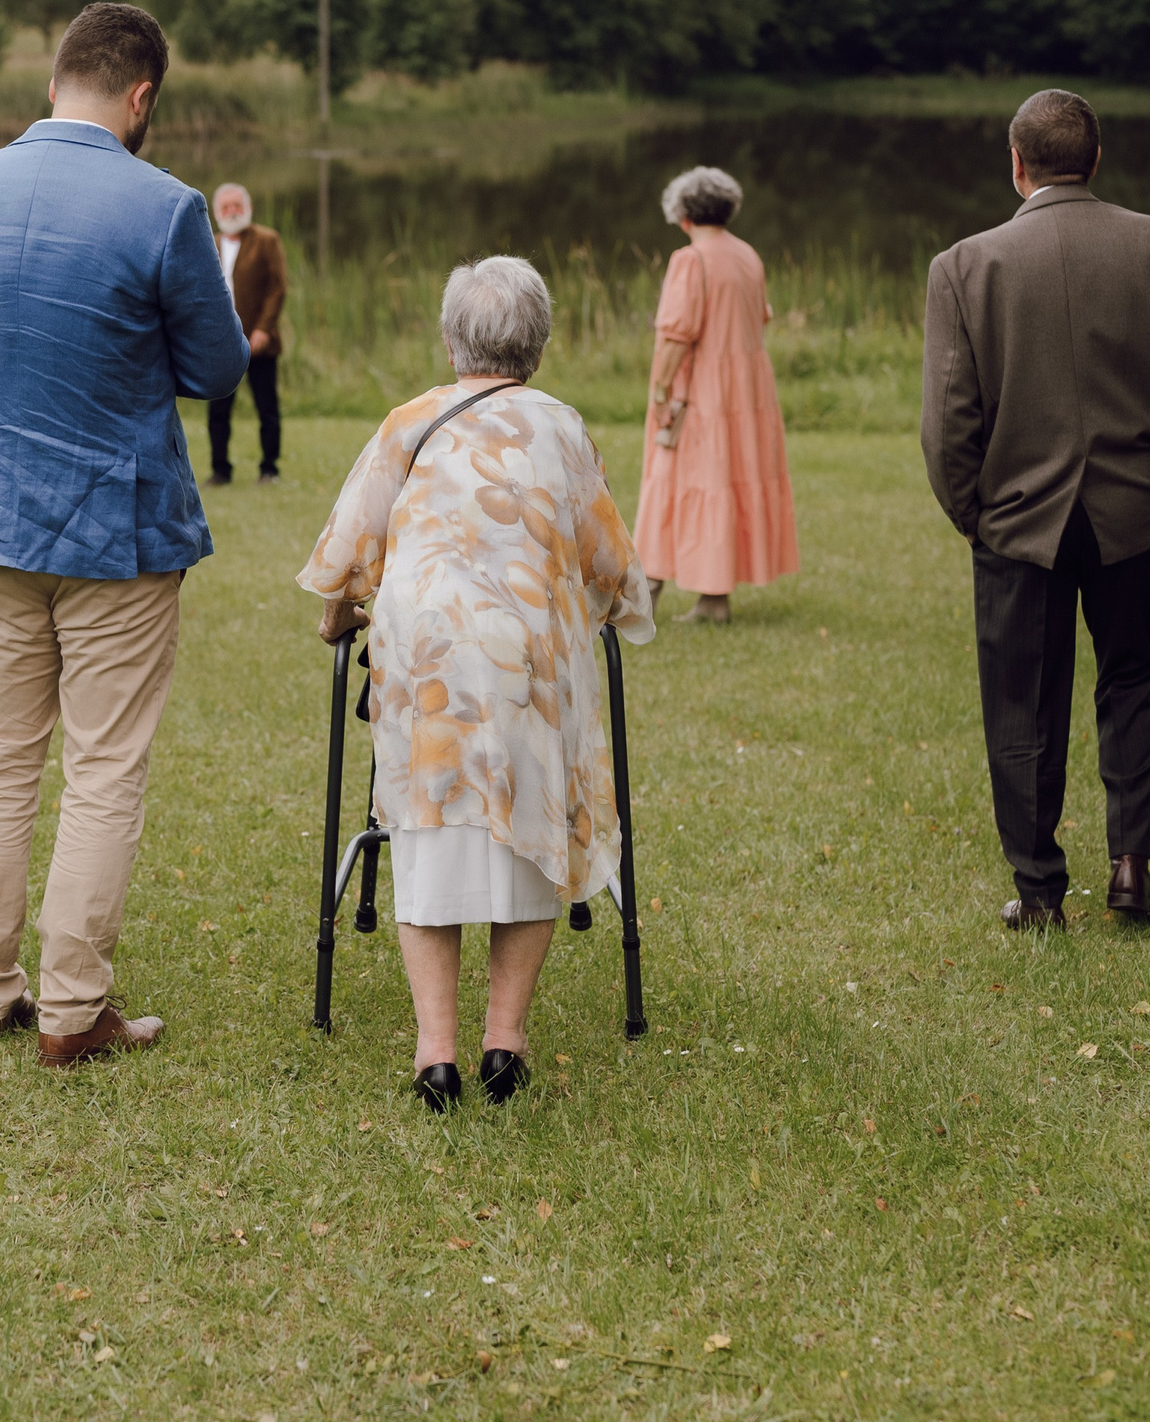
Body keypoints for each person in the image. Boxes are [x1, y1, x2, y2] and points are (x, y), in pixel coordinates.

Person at [0, 0, 250, 1065]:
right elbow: (216, 369)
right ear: (141, 95)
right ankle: (70, 1009)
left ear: (55, 76)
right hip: (118, 528)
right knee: (103, 769)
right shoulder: (165, 207)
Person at [300, 256, 653, 1111]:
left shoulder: (406, 422)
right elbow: (612, 571)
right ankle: (506, 1041)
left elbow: (345, 558)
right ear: (537, 341)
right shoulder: (562, 428)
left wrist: (342, 621)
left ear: (452, 338)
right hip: (525, 649)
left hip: (426, 645)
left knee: (424, 826)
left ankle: (436, 1055)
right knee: (530, 825)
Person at [921, 89, 1150, 932]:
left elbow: (948, 421)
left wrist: (974, 514)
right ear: (1095, 161)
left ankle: (1040, 893)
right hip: (1133, 515)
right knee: (1130, 683)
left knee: (1023, 701)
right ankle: (1130, 866)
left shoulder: (964, 265)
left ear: (1016, 166)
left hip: (1019, 523)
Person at [631, 167, 798, 624]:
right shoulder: (747, 255)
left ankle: (646, 591)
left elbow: (676, 336)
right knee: (724, 482)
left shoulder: (691, 260)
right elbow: (759, 318)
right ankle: (712, 598)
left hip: (700, 390)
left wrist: (661, 391)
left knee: (674, 480)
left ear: (683, 213)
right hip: (747, 389)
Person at [204, 181, 287, 488]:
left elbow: (277, 289)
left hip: (260, 343)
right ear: (216, 212)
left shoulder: (267, 240)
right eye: (226, 207)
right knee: (218, 410)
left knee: (267, 408)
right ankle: (220, 471)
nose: (232, 211)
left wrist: (263, 330)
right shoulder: (207, 243)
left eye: (237, 205)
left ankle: (269, 469)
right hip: (222, 344)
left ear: (248, 208)